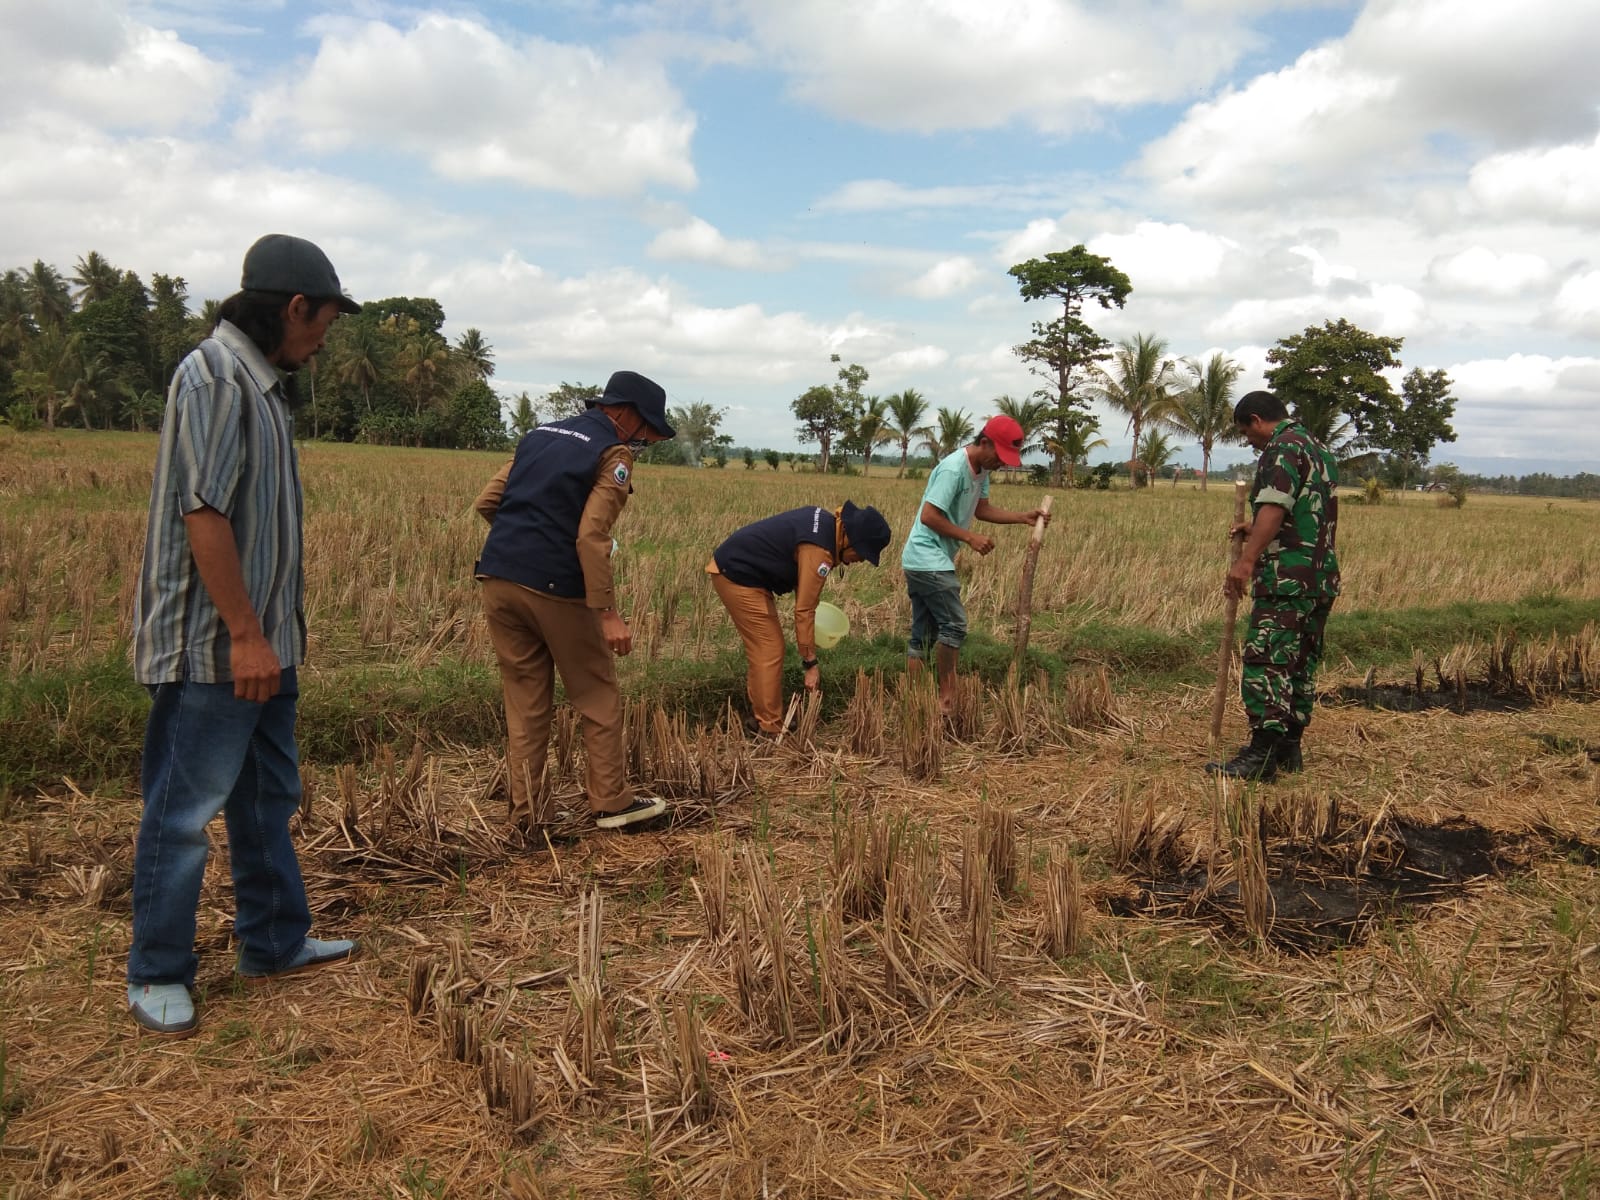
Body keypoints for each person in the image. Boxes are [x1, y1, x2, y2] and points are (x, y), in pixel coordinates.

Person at [128, 234, 361, 1036]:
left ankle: (273, 941)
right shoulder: (217, 377)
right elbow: (205, 512)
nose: (325, 338)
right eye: (324, 320)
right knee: (184, 811)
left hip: (265, 645)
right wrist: (244, 634)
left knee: (266, 799)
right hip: (217, 648)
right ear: (294, 308)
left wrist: (272, 638)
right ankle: (157, 971)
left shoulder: (260, 386)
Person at [474, 371, 675, 838]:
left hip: (498, 578)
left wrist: (524, 542)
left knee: (525, 704)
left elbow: (489, 502)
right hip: (555, 588)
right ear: (624, 414)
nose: (646, 440)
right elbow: (591, 538)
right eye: (647, 430)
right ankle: (611, 802)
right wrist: (607, 612)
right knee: (597, 695)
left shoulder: (537, 435)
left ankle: (525, 816)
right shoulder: (613, 453)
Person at [1206, 390, 1340, 780]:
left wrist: (1247, 560)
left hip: (1287, 577)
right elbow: (1304, 509)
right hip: (1319, 576)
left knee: (1267, 660)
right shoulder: (1317, 448)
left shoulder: (1281, 448)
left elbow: (1275, 507)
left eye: (1246, 432)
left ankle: (1261, 755)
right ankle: (1288, 748)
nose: (1249, 440)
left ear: (1256, 419)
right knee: (1299, 662)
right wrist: (1257, 527)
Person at [900, 414, 1050, 713]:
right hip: (926, 556)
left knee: (924, 635)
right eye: (1000, 455)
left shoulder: (981, 471)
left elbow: (981, 509)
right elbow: (929, 516)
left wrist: (1022, 517)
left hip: (929, 559)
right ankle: (948, 695)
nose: (1002, 463)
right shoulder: (954, 470)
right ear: (984, 442)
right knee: (954, 625)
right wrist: (969, 538)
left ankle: (915, 703)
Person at [707, 501, 892, 735]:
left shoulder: (825, 524)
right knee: (769, 649)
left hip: (736, 570)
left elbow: (805, 594)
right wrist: (810, 663)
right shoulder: (820, 552)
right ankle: (770, 728)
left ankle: (763, 716)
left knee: (764, 649)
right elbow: (804, 610)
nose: (861, 560)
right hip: (737, 576)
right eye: (862, 553)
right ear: (848, 538)